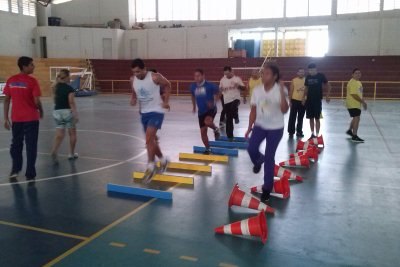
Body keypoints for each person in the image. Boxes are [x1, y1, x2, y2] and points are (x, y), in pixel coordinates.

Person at [245, 63, 289, 203]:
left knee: (270, 157)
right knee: (251, 148)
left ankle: (267, 189)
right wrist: (249, 126)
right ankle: (258, 160)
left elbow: (284, 110)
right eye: (263, 73)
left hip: (276, 128)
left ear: (275, 76)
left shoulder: (280, 90)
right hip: (260, 126)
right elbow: (253, 110)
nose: (263, 75)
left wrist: (282, 91)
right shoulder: (257, 90)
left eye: (267, 73)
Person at [130, 58, 171, 183]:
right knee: (151, 141)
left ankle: (150, 166)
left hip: (157, 111)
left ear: (144, 69)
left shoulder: (155, 77)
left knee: (148, 138)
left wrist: (166, 102)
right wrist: (134, 99)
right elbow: (134, 91)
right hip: (144, 113)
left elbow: (168, 85)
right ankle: (163, 161)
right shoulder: (133, 80)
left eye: (138, 72)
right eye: (134, 72)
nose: (136, 74)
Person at [3, 56, 43, 180]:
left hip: (16, 119)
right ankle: (30, 173)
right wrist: (41, 110)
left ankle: (15, 169)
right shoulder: (32, 81)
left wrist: (5, 118)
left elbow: (6, 100)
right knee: (31, 145)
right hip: (31, 118)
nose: (33, 66)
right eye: (31, 65)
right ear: (24, 67)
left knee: (16, 144)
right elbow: (36, 100)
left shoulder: (11, 80)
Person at [50, 69, 79, 164]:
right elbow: (71, 102)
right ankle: (71, 153)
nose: (70, 78)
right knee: (72, 133)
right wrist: (75, 113)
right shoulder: (69, 89)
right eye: (69, 77)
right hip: (67, 112)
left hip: (57, 112)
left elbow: (55, 99)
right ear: (66, 77)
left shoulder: (55, 87)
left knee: (59, 134)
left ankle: (54, 150)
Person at [190, 69, 220, 154]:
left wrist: (214, 102)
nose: (196, 78)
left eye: (198, 76)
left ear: (203, 76)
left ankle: (216, 129)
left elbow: (219, 93)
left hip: (211, 109)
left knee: (207, 122)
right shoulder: (193, 86)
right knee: (203, 132)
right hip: (201, 112)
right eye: (195, 76)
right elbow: (192, 96)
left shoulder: (210, 85)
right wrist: (194, 107)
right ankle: (208, 148)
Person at [302, 63, 331, 139]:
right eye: (309, 70)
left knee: (317, 118)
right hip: (309, 100)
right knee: (310, 118)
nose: (310, 71)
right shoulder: (308, 77)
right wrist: (303, 98)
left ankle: (317, 135)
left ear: (315, 69)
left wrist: (327, 95)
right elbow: (306, 88)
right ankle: (312, 134)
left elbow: (328, 85)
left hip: (317, 100)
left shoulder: (321, 76)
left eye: (312, 70)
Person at [219, 66, 245, 140]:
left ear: (231, 72)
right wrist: (220, 91)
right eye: (225, 74)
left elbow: (244, 88)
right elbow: (220, 89)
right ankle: (230, 136)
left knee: (233, 108)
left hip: (236, 99)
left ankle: (236, 116)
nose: (226, 75)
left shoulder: (237, 79)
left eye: (228, 74)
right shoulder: (222, 80)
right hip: (227, 100)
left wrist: (238, 86)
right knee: (229, 118)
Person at [346, 68, 367, 143]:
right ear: (352, 74)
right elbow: (354, 94)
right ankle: (354, 136)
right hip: (352, 104)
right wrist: (363, 102)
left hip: (357, 104)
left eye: (359, 73)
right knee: (357, 118)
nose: (358, 74)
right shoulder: (352, 82)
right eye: (356, 73)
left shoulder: (359, 82)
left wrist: (363, 101)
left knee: (355, 118)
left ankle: (349, 131)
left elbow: (360, 93)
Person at [288, 68, 306, 138]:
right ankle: (291, 131)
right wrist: (289, 101)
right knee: (292, 117)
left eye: (302, 72)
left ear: (304, 73)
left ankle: (299, 131)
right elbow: (291, 91)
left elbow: (307, 90)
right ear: (297, 73)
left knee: (300, 117)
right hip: (294, 100)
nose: (301, 73)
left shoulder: (306, 80)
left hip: (303, 101)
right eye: (300, 72)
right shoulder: (294, 80)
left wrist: (305, 99)